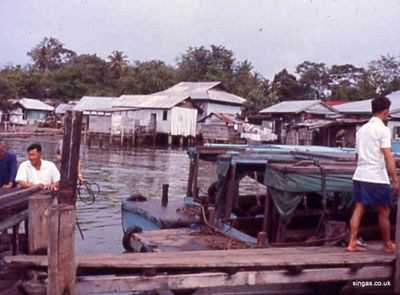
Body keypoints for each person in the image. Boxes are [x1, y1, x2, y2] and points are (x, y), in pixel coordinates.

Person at [348, 96, 399, 253]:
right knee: (384, 210)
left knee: (359, 208)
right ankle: (387, 244)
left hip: (360, 174)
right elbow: (388, 156)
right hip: (376, 176)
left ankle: (352, 243)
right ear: (385, 112)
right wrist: (395, 179)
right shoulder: (383, 130)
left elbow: (357, 157)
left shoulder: (361, 130)